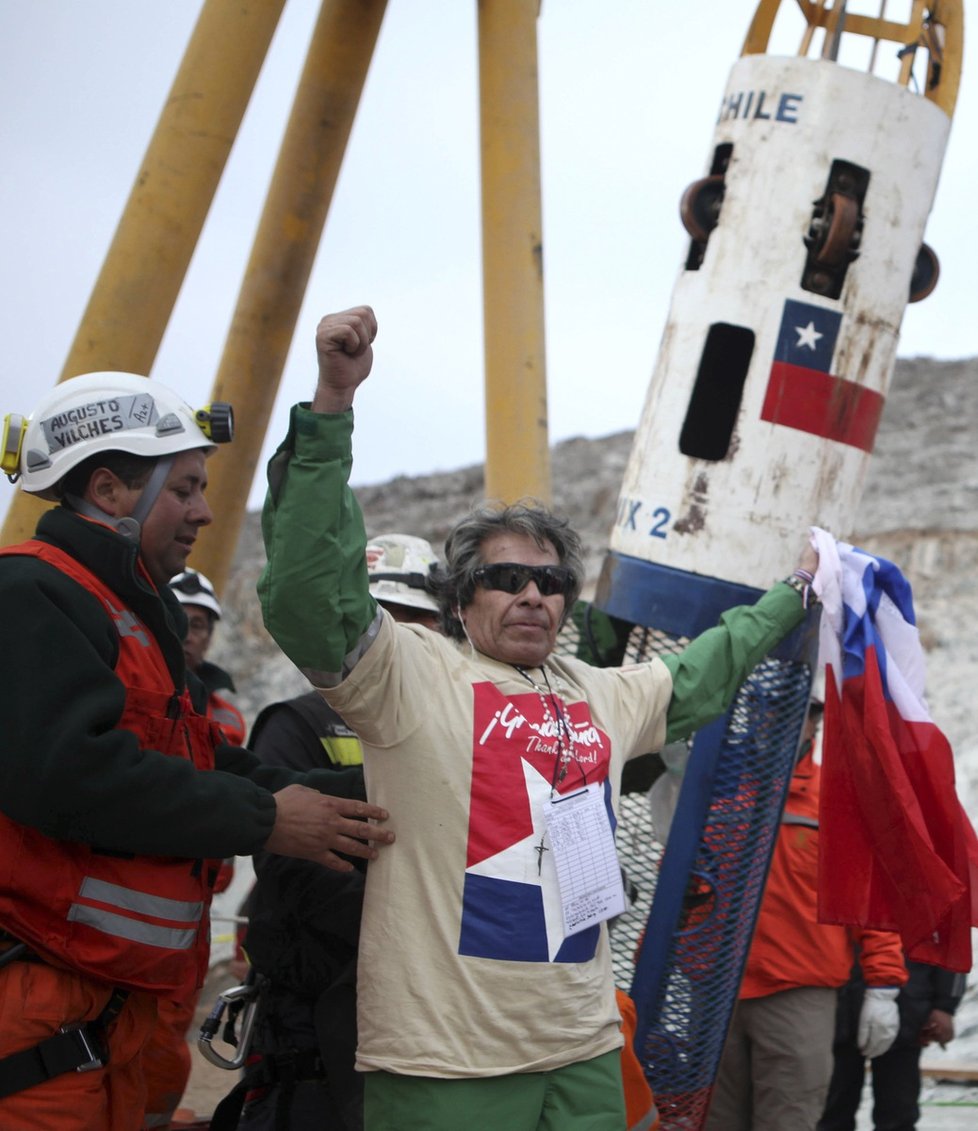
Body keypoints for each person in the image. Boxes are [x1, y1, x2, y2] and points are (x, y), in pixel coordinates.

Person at [258, 305, 821, 1131]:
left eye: (551, 582)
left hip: (584, 1049)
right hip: (446, 1062)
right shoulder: (409, 676)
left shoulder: (594, 690)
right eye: (506, 577)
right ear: (460, 597)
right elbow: (309, 596)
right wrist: (333, 404)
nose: (532, 593)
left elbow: (701, 675)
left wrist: (794, 596)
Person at [0, 371, 393, 1130]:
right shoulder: (30, 595)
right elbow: (72, 773)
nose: (205, 512)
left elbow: (208, 762)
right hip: (43, 1015)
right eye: (185, 488)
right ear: (111, 490)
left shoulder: (135, 617)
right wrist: (265, 819)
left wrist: (376, 785)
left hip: (118, 1016)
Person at [230, 534, 442, 1131]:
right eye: (387, 621)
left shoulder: (461, 730)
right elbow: (294, 870)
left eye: (419, 622)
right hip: (319, 1029)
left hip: (435, 1018)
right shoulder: (297, 723)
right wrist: (433, 917)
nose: (402, 639)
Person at [704, 699, 908, 1131]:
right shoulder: (718, 794)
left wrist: (884, 985)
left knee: (789, 1120)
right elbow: (690, 887)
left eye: (789, 713)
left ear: (813, 724)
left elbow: (871, 903)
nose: (773, 722)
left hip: (798, 993)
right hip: (716, 999)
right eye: (765, 712)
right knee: (714, 1120)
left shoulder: (839, 800)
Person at [818, 958, 967, 1131]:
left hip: (907, 1013)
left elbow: (951, 943)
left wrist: (945, 1006)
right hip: (839, 1009)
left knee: (898, 1112)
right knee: (831, 1113)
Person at [171, 567, 246, 746]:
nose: (186, 636)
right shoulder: (132, 687)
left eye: (196, 625)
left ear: (209, 639)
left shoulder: (229, 718)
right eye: (176, 621)